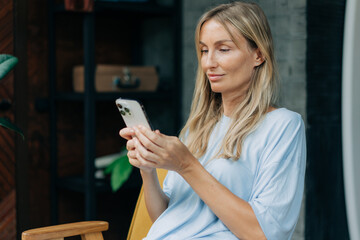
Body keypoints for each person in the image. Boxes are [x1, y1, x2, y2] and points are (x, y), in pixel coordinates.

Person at [120, 2, 306, 239]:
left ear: (258, 54)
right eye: (204, 50)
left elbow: (264, 233)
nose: (208, 63)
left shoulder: (283, 125)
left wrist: (187, 165)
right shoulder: (197, 129)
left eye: (223, 49)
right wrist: (147, 170)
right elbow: (166, 218)